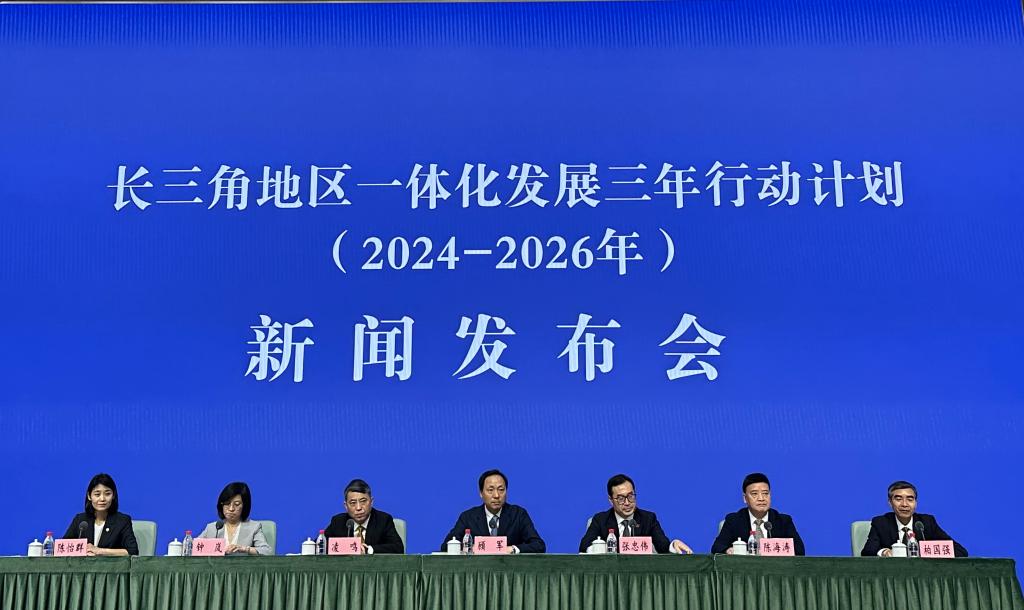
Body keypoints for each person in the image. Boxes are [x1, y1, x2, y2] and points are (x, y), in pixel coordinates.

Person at [578, 474, 693, 554]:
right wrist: (602, 548)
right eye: (621, 498)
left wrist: (673, 545)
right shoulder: (600, 520)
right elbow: (584, 547)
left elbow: (662, 545)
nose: (627, 502)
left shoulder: (648, 519)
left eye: (630, 496)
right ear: (611, 500)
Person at [439, 469, 545, 553]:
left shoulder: (518, 514)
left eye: (501, 490)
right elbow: (446, 547)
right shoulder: (468, 517)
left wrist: (512, 549)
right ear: (481, 493)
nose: (496, 495)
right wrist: (470, 548)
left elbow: (539, 545)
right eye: (490, 490)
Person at [861, 480, 967, 557]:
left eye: (910, 499)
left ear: (915, 503)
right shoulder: (881, 523)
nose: (904, 504)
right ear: (890, 503)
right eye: (898, 499)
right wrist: (884, 552)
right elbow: (867, 552)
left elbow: (960, 551)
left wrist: (928, 552)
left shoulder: (926, 522)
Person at [711, 472, 805, 555]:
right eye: (754, 494)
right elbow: (717, 547)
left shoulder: (783, 521)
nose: (761, 498)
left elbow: (799, 550)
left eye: (765, 493)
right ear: (745, 498)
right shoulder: (734, 520)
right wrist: (728, 550)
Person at [62, 473, 138, 556]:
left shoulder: (122, 521)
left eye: (107, 494)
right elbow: (63, 548)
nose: (102, 499)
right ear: (89, 496)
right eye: (97, 494)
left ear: (113, 495)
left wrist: (100, 551)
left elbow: (132, 551)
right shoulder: (80, 520)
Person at [323, 479, 404, 554]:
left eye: (363, 501)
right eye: (353, 503)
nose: (358, 508)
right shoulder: (338, 521)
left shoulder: (383, 520)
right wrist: (348, 548)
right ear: (346, 506)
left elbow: (398, 547)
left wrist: (369, 549)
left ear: (371, 502)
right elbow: (321, 546)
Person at [197, 482, 272, 555]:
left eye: (237, 504)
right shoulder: (212, 528)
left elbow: (266, 551)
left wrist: (245, 549)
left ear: (244, 506)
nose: (231, 509)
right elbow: (193, 547)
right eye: (227, 503)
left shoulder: (253, 527)